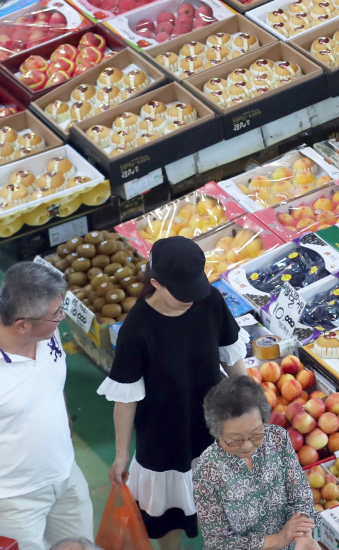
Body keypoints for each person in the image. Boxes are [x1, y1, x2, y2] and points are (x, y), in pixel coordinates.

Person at [98, 236, 248, 550]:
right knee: (170, 520)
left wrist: (251, 409)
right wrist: (122, 456)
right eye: (183, 293)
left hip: (213, 429)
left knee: (226, 512)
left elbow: (232, 358)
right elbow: (125, 399)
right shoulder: (137, 328)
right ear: (157, 283)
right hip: (164, 439)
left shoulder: (210, 301)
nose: (191, 299)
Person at [0, 261, 94, 550]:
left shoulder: (47, 332)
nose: (61, 318)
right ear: (22, 324)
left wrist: (65, 431)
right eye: (55, 314)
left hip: (65, 473)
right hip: (10, 498)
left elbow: (51, 385)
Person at [193, 376, 321, 550]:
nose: (247, 445)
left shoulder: (277, 438)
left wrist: (303, 536)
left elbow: (299, 494)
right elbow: (219, 543)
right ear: (217, 432)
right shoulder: (207, 470)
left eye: (256, 434)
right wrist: (279, 539)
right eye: (235, 439)